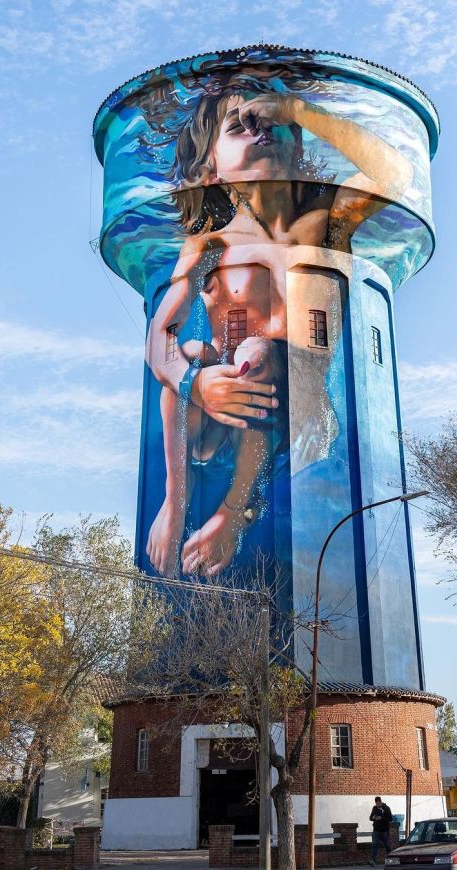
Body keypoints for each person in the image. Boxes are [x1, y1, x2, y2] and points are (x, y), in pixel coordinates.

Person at [144, 81, 414, 576]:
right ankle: (175, 502)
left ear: (297, 141)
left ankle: (231, 513)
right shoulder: (210, 243)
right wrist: (195, 383)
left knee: (260, 348)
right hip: (226, 424)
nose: (259, 129)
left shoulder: (330, 218)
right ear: (210, 168)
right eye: (238, 126)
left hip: (307, 424)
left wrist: (296, 108)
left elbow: (397, 172)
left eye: (271, 122)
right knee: (198, 349)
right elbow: (161, 335)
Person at [369, 796, 392, 866]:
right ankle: (373, 861)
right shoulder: (374, 808)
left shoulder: (387, 808)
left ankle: (391, 860)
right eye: (376, 804)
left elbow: (390, 819)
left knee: (387, 846)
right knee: (374, 845)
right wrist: (373, 818)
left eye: (379, 803)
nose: (377, 805)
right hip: (376, 831)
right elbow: (370, 817)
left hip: (384, 831)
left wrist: (381, 818)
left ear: (381, 802)